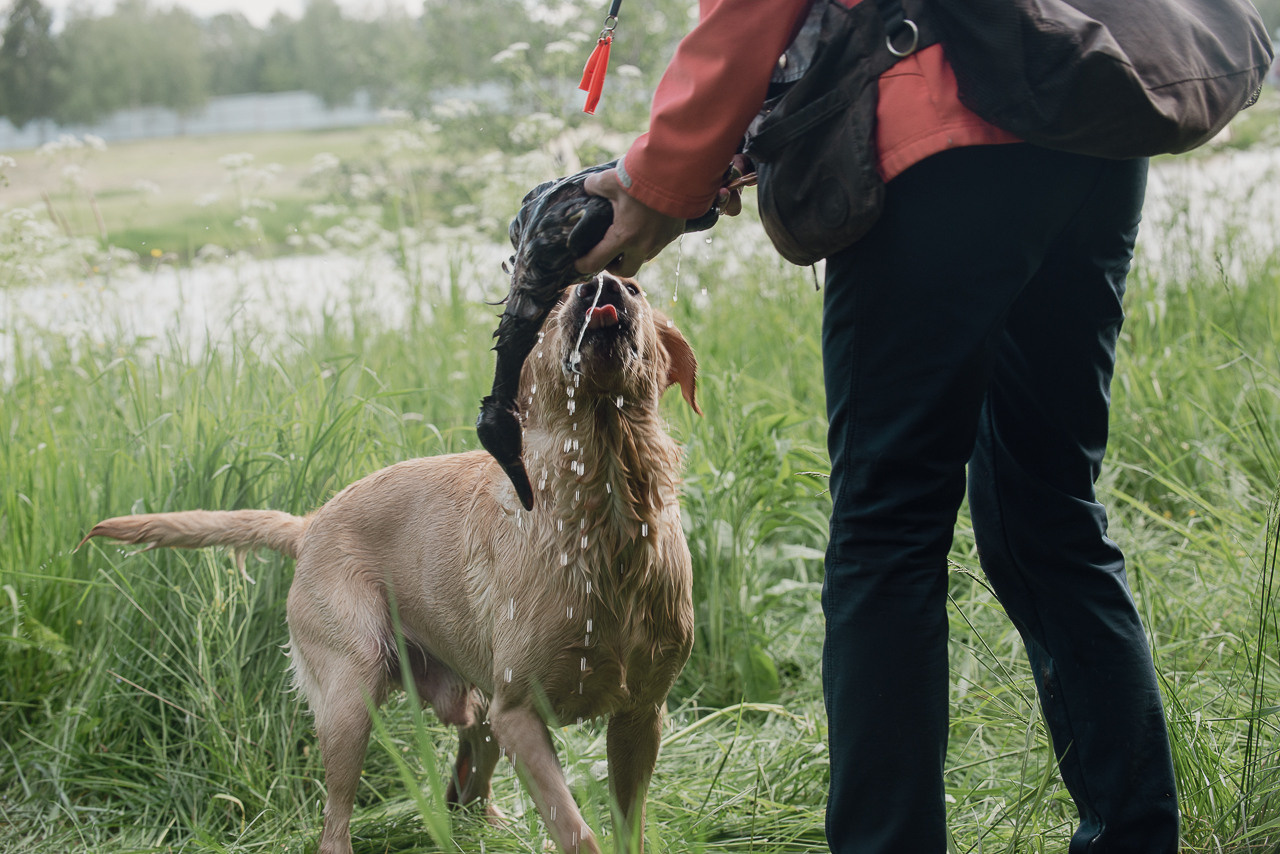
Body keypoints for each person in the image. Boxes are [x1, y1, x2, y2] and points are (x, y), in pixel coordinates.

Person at [572, 0, 1182, 852]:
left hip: (943, 137)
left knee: (886, 533)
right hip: (1087, 115)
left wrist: (661, 178)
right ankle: (1137, 837)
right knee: (1051, 514)